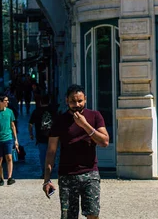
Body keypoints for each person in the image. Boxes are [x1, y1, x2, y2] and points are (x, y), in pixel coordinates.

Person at [42, 84, 109, 219]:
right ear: (67, 100)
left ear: (85, 100)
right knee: (68, 216)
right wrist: (46, 180)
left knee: (93, 214)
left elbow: (104, 142)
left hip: (90, 173)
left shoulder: (95, 116)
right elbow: (51, 152)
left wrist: (85, 125)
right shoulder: (59, 121)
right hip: (67, 175)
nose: (77, 104)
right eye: (73, 101)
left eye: (80, 101)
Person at [29, 93, 56, 177]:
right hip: (53, 136)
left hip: (41, 136)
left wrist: (31, 134)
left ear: (40, 102)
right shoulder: (53, 110)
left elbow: (30, 124)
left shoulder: (36, 111)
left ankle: (45, 171)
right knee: (52, 153)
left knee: (43, 155)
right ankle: (51, 168)